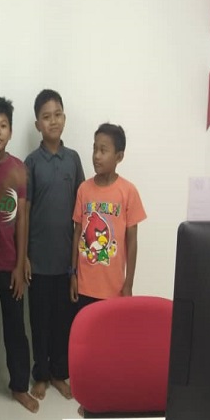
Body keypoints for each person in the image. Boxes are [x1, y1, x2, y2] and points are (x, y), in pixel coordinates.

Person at [0, 97, 39, 414]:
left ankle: (19, 386)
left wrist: (20, 262)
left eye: (3, 126)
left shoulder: (19, 170)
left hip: (11, 264)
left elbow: (23, 219)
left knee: (16, 331)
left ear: (11, 131)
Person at [24, 89, 85, 402]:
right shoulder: (31, 163)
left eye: (57, 114)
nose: (53, 121)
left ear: (64, 117)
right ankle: (41, 374)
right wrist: (25, 256)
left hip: (66, 261)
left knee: (64, 321)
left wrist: (77, 263)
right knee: (40, 321)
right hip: (38, 260)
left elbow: (83, 212)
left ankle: (60, 373)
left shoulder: (73, 159)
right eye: (46, 117)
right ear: (38, 124)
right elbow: (24, 213)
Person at [70, 123, 146, 308]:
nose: (96, 156)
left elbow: (132, 241)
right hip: (84, 286)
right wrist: (72, 273)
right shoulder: (84, 189)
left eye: (103, 150)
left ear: (119, 156)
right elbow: (77, 232)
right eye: (94, 149)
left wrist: (128, 283)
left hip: (114, 289)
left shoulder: (128, 191)